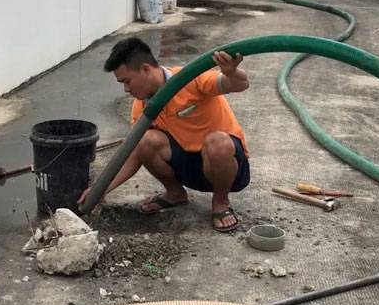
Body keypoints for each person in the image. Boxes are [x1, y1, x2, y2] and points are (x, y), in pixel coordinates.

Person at [78, 37, 250, 232]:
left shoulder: (188, 78)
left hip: (227, 167)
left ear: (145, 69)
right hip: (190, 169)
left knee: (217, 142)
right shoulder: (142, 106)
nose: (126, 89)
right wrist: (101, 189)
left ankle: (220, 202)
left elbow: (239, 84)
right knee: (145, 140)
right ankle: (175, 193)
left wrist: (232, 72)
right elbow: (132, 153)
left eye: (127, 81)